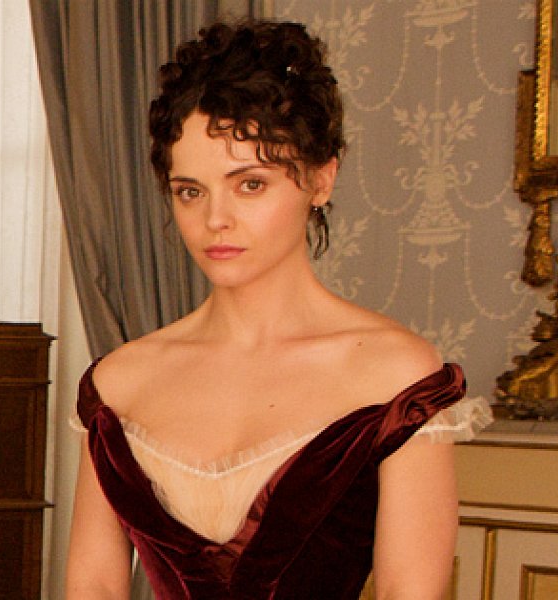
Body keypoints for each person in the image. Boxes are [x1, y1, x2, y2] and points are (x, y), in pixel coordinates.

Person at [66, 18, 488, 598]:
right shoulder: (120, 382)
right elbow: (92, 586)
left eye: (250, 184)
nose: (215, 219)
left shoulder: (397, 375)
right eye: (190, 191)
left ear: (322, 178)